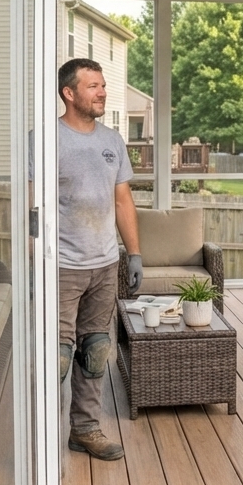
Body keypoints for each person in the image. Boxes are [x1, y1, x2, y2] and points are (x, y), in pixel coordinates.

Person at [55, 57, 143, 460]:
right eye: (93, 86)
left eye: (103, 85)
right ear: (69, 93)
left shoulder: (111, 141)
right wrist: (36, 261)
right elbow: (29, 207)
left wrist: (135, 254)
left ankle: (85, 430)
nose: (103, 92)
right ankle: (38, 433)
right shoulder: (46, 140)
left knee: (95, 350)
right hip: (60, 267)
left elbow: (122, 200)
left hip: (105, 265)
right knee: (54, 356)